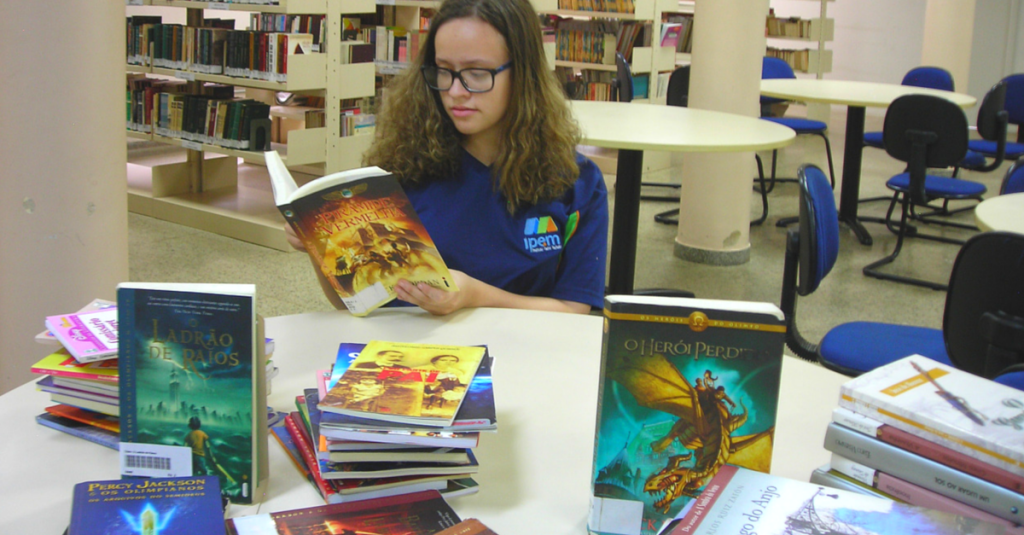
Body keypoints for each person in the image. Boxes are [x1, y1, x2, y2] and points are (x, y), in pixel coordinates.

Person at [287, 0, 607, 316]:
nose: (455, 91)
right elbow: (351, 300)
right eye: (443, 71)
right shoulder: (403, 166)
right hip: (409, 355)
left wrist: (474, 295)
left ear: (523, 75)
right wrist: (318, 250)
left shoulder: (576, 181)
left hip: (521, 353)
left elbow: (573, 308)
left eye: (477, 73)